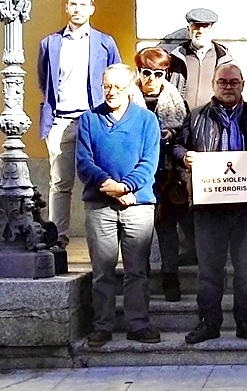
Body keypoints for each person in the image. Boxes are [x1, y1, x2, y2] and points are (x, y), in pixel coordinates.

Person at [174, 63, 247, 345]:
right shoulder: (195, 118)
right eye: (223, 82)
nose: (228, 87)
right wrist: (185, 156)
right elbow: (176, 147)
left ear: (243, 84)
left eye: (234, 82)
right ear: (213, 84)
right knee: (209, 271)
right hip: (210, 207)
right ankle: (208, 322)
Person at [75, 64, 161, 348]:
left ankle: (138, 324)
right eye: (107, 87)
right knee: (103, 270)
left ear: (130, 89)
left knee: (137, 270)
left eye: (118, 87)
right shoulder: (89, 120)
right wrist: (110, 187)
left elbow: (149, 163)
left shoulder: (147, 120)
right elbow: (84, 163)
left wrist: (125, 187)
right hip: (100, 205)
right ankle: (102, 325)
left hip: (138, 204)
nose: (111, 92)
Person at [38, 0, 122, 247]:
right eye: (73, 4)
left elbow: (117, 77)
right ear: (66, 7)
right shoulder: (50, 43)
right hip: (61, 121)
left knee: (104, 178)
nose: (77, 9)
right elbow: (45, 82)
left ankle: (106, 242)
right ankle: (58, 240)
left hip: (95, 121)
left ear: (92, 9)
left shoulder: (104, 42)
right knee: (60, 184)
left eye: (83, 4)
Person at [134, 48, 190, 302]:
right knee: (139, 232)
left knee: (168, 230)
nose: (152, 79)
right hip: (137, 176)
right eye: (146, 72)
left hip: (167, 175)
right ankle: (139, 280)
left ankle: (170, 279)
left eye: (158, 73)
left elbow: (186, 131)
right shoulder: (129, 99)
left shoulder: (175, 100)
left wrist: (173, 135)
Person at [168, 8, 236, 110]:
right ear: (189, 29)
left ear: (213, 30)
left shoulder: (224, 60)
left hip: (213, 121)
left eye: (205, 26)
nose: (200, 31)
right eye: (196, 26)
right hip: (182, 121)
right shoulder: (176, 59)